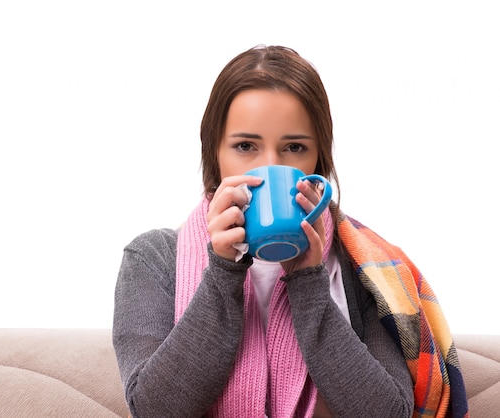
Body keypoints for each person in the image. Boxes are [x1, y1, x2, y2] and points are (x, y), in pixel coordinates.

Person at [112, 45, 469, 418]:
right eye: (245, 146)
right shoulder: (152, 258)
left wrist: (309, 282)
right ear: (214, 153)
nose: (269, 166)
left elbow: (388, 413)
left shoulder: (361, 265)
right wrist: (222, 271)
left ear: (319, 160)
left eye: (294, 147)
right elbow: (154, 409)